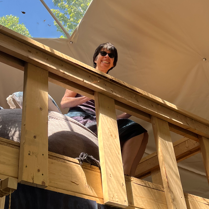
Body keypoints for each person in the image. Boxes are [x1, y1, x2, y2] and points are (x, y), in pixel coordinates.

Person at [60, 42, 148, 177]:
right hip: (80, 117)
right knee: (134, 130)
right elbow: (64, 103)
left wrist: (130, 112)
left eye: (111, 55)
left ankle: (127, 175)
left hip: (100, 121)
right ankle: (125, 174)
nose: (107, 56)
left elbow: (113, 119)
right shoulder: (82, 75)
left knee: (139, 132)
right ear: (96, 58)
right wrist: (89, 95)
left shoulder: (111, 87)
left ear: (113, 63)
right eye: (103, 53)